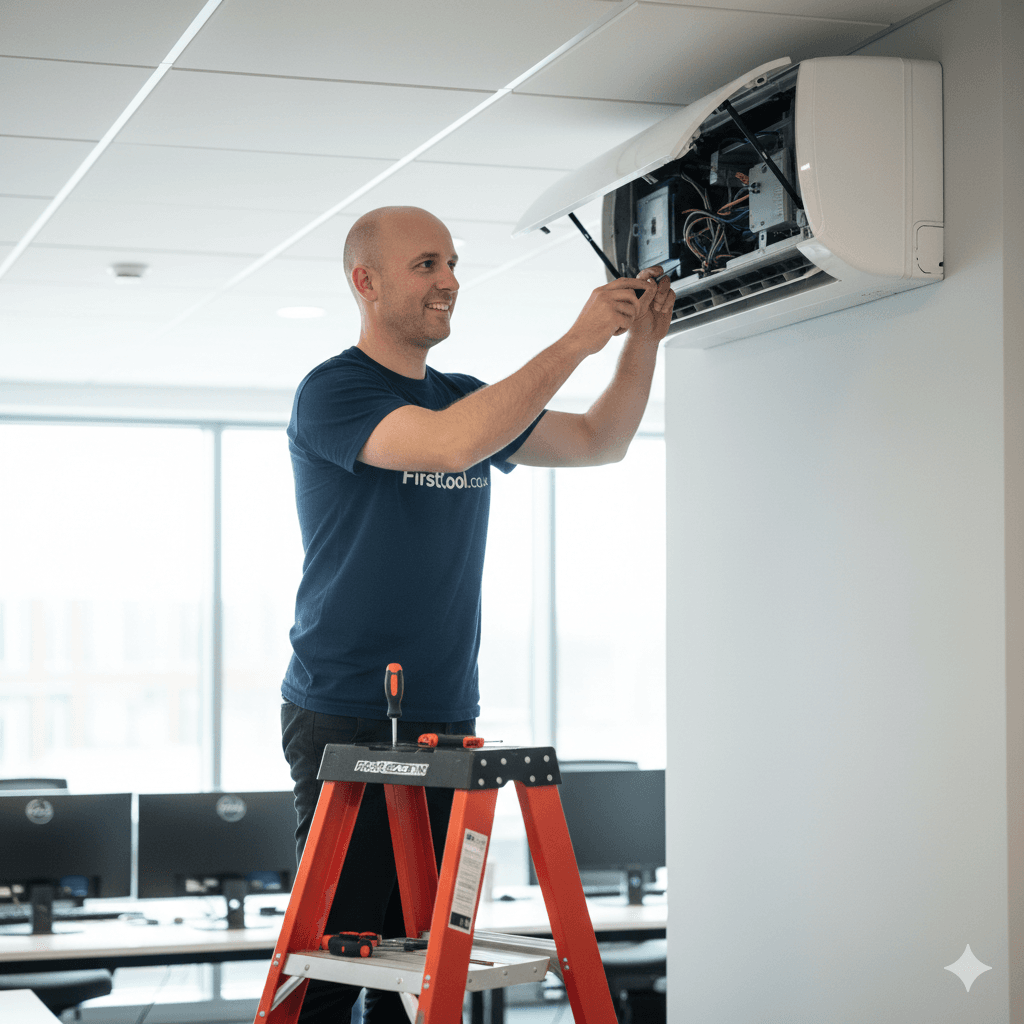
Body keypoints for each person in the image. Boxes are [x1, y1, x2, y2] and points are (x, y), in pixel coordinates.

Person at [280, 205, 673, 1022]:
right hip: (347, 709)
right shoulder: (334, 391)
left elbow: (602, 439)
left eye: (453, 264)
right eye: (427, 265)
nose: (450, 282)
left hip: (445, 711)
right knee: (337, 966)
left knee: (419, 970)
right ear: (367, 281)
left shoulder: (467, 399)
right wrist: (575, 341)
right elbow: (446, 445)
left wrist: (643, 342)